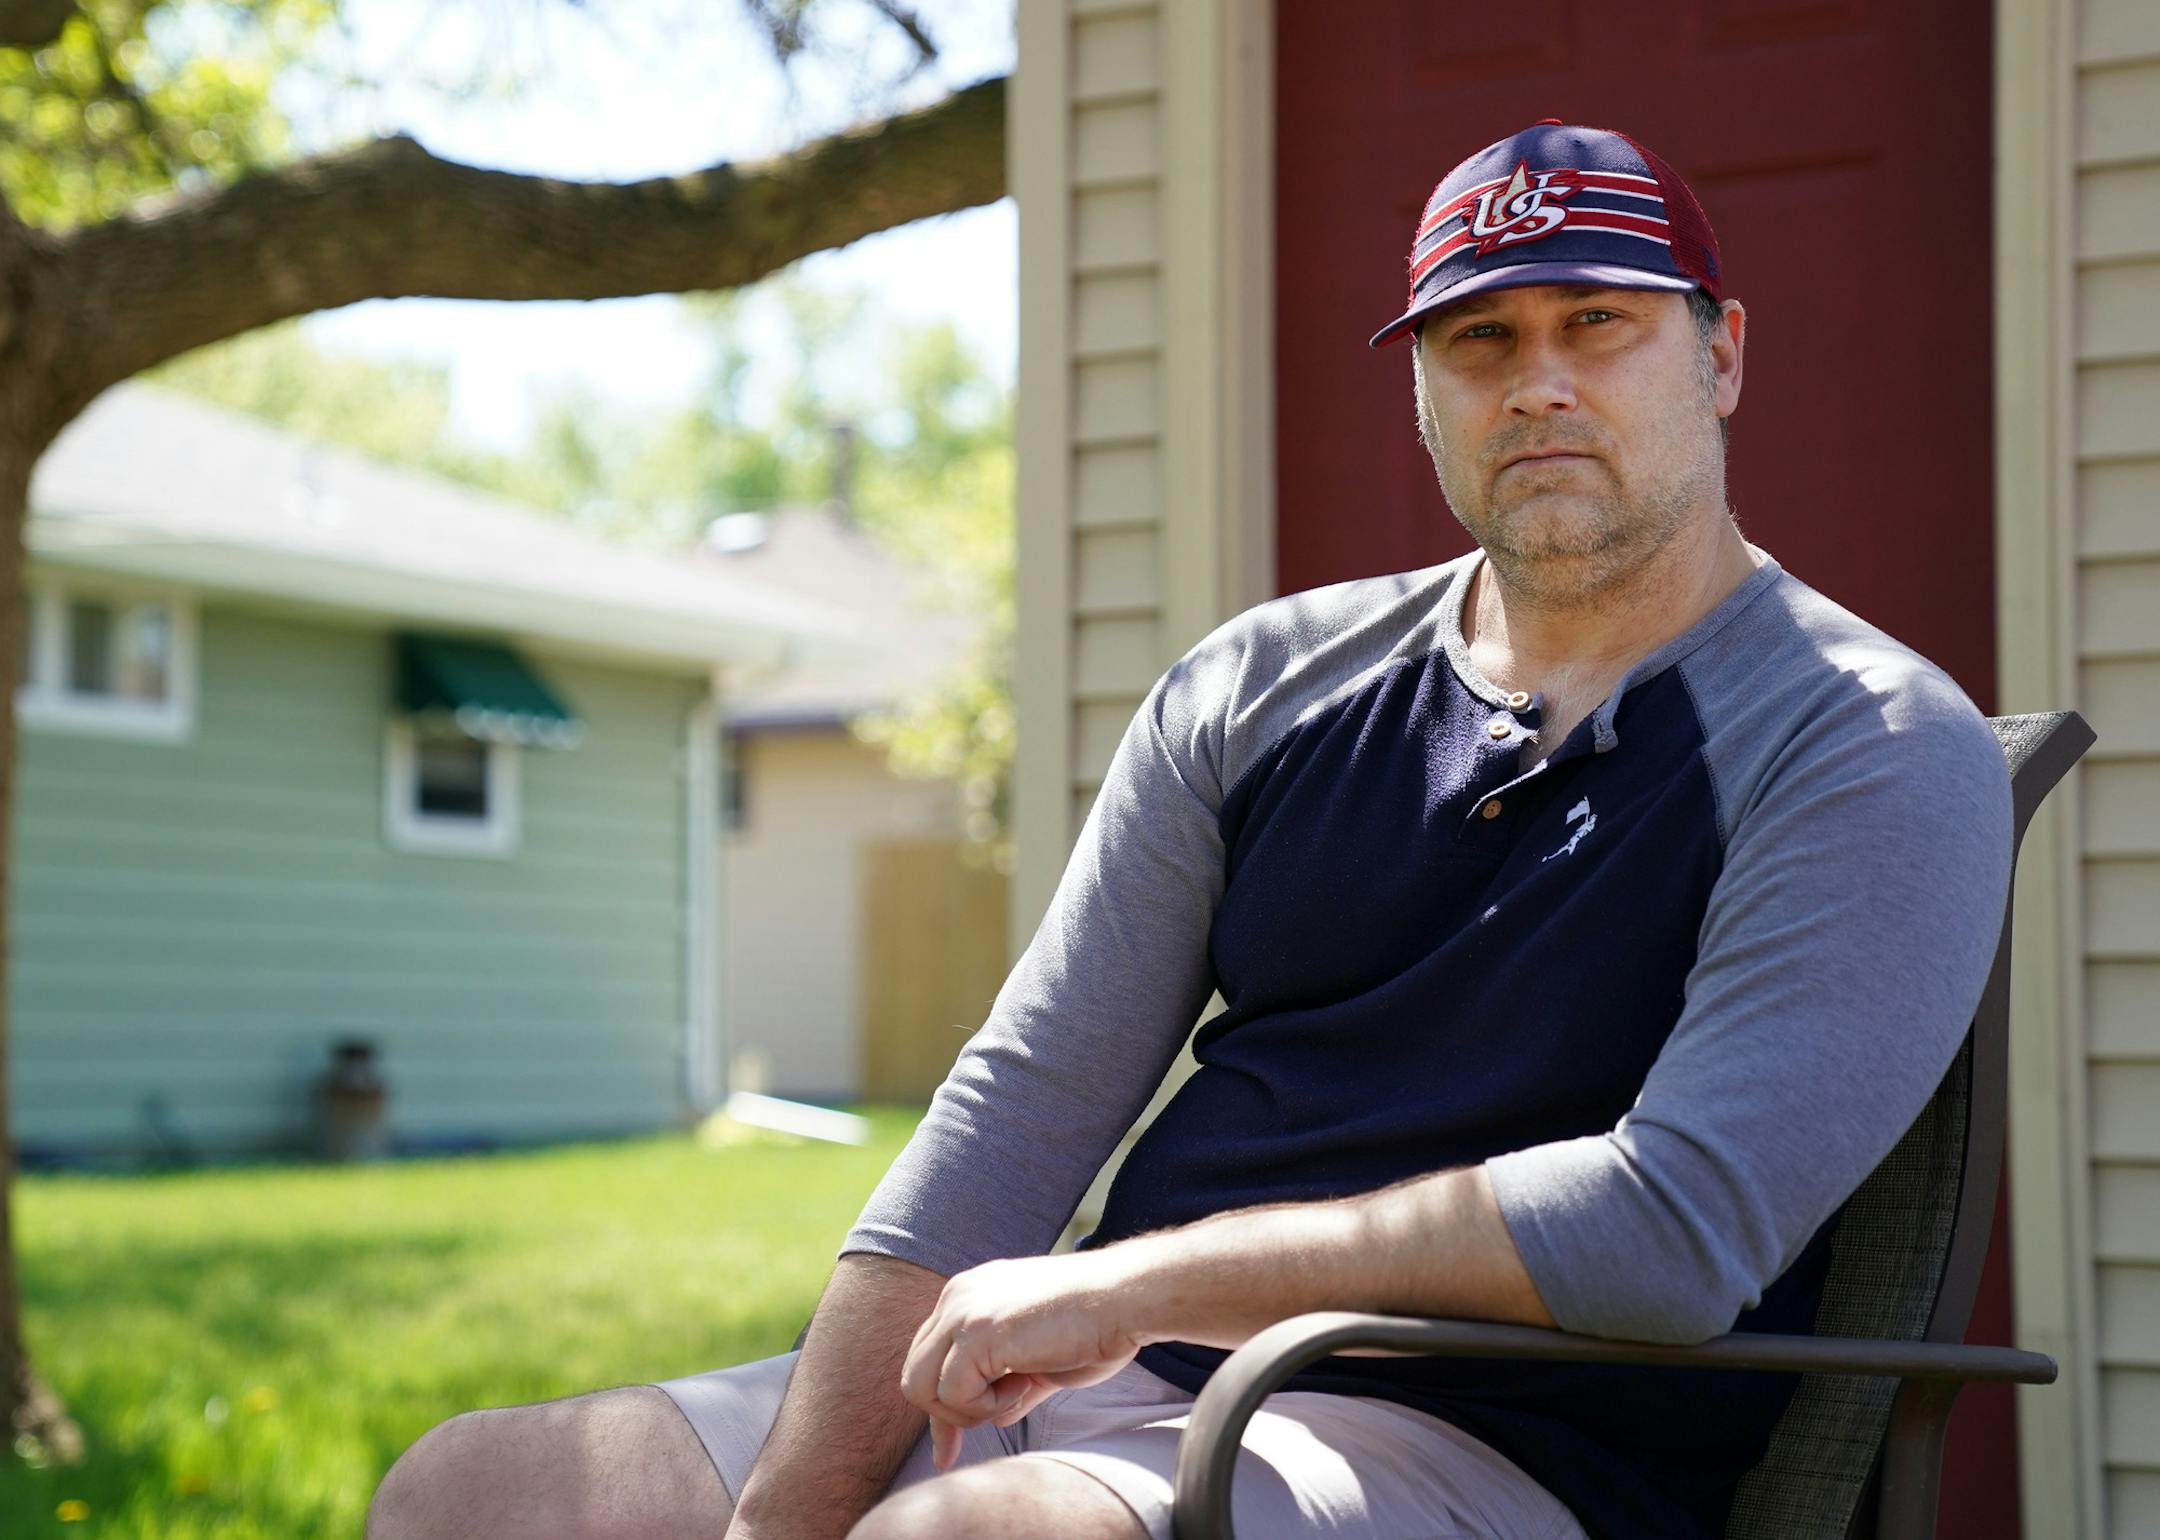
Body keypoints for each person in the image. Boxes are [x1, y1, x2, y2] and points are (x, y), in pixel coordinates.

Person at [367, 119, 2013, 1540]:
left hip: (1491, 1454)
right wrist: (779, 1514)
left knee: (980, 1533)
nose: (1540, 386)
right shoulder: (1263, 687)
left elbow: (1667, 1231)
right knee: (475, 1492)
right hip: (1098, 1382)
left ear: (1721, 353)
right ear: (1427, 394)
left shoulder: (1863, 741)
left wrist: (1131, 1286)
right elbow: (1016, 1119)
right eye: (1481, 344)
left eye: (1601, 325)